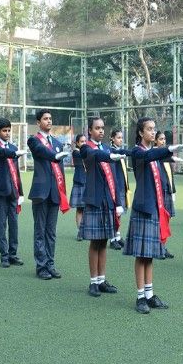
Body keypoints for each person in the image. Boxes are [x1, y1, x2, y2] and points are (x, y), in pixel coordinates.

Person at [123, 117, 183, 313]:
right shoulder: (138, 152)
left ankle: (149, 294)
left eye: (154, 129)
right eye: (149, 129)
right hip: (143, 208)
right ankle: (140, 296)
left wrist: (169, 155)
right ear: (141, 133)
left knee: (149, 255)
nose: (153, 132)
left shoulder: (153, 154)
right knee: (141, 255)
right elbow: (151, 156)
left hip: (155, 208)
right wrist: (169, 150)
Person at [79, 117, 125, 297]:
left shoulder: (107, 148)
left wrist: (118, 203)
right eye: (97, 128)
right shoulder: (86, 147)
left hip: (108, 200)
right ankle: (93, 282)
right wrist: (110, 155)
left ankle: (102, 280)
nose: (100, 131)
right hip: (94, 200)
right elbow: (95, 156)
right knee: (94, 242)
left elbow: (114, 178)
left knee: (104, 241)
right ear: (89, 130)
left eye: (102, 128)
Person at [27, 109, 70, 280]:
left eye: (50, 118)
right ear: (38, 122)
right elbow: (41, 152)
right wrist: (55, 155)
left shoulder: (57, 142)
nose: (49, 121)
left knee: (51, 231)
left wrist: (62, 192)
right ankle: (41, 266)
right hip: (40, 192)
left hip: (54, 193)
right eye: (45, 119)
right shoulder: (34, 141)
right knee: (40, 230)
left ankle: (50, 264)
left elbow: (60, 171)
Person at [0, 118, 27, 268]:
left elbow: (16, 172)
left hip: (13, 192)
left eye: (9, 130)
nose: (7, 133)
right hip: (0, 192)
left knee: (14, 225)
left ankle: (13, 254)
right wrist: (15, 153)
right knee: (1, 225)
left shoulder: (13, 147)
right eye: (4, 130)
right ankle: (4, 256)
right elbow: (3, 153)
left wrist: (21, 192)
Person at [154, 131, 183, 259]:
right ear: (155, 141)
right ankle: (157, 247)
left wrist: (173, 191)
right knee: (159, 221)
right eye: (160, 139)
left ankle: (163, 246)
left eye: (164, 139)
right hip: (158, 192)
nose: (163, 141)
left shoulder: (165, 154)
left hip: (167, 190)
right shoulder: (155, 154)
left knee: (167, 219)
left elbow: (170, 176)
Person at [109, 129, 132, 250]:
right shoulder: (111, 150)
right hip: (115, 187)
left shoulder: (118, 151)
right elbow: (123, 151)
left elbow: (123, 151)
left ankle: (117, 236)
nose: (121, 140)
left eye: (122, 138)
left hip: (122, 186)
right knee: (115, 213)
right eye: (118, 137)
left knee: (120, 213)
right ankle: (112, 238)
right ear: (112, 138)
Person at [69, 133, 87, 241]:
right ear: (77, 143)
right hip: (80, 182)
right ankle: (80, 232)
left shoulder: (87, 151)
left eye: (85, 141)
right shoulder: (76, 152)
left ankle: (86, 231)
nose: (84, 143)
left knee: (87, 209)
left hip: (89, 182)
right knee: (80, 209)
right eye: (81, 141)